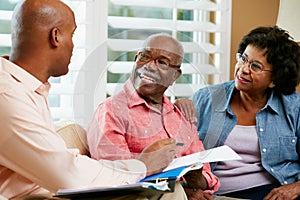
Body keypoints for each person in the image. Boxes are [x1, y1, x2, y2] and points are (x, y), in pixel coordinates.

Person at [0, 0, 182, 199]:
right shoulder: (6, 95)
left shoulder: (26, 88)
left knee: (168, 191)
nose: (73, 45)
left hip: (50, 189)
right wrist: (144, 165)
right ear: (56, 36)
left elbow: (65, 166)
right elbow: (68, 174)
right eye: (72, 34)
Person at [86, 33, 220, 200]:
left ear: (174, 76)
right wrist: (179, 191)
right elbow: (116, 178)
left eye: (162, 62)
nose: (149, 66)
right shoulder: (111, 112)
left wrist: (197, 180)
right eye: (145, 56)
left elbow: (208, 176)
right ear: (136, 60)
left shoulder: (181, 116)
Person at [175, 26, 300, 200]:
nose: (243, 69)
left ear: (274, 79)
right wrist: (189, 190)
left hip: (272, 192)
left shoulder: (294, 107)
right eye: (243, 59)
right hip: (216, 194)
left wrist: (296, 187)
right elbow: (176, 154)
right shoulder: (206, 98)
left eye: (255, 66)